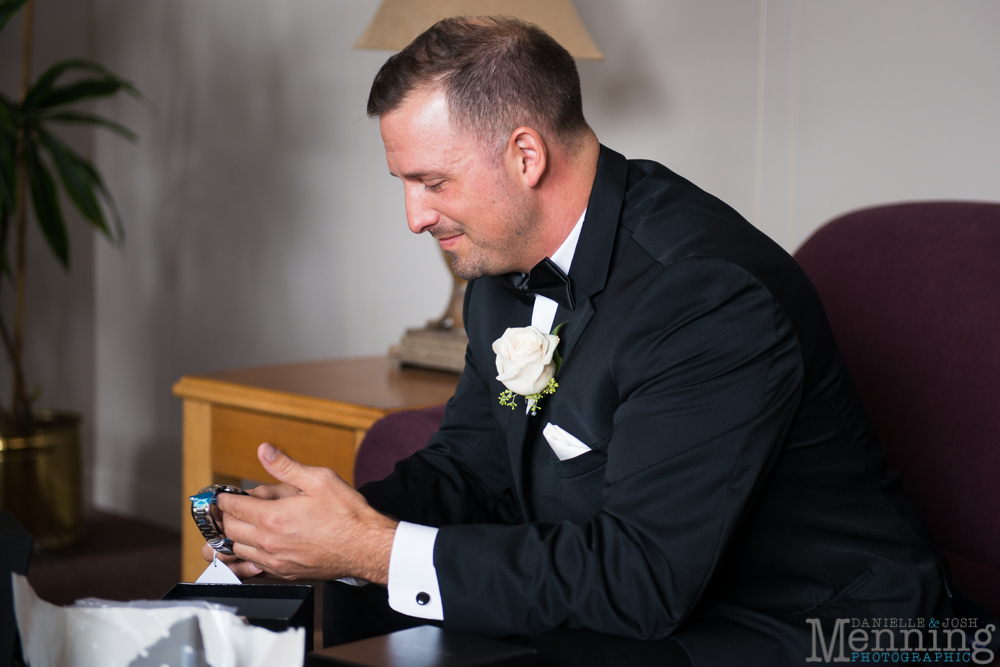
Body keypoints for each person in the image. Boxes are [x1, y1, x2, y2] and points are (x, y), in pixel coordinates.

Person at [206, 17, 975, 666]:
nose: (413, 216)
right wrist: (323, 528)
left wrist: (371, 549)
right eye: (403, 183)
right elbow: (474, 467)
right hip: (654, 596)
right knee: (319, 621)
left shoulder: (707, 297)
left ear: (526, 156)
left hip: (834, 628)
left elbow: (641, 578)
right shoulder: (500, 272)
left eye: (432, 182)